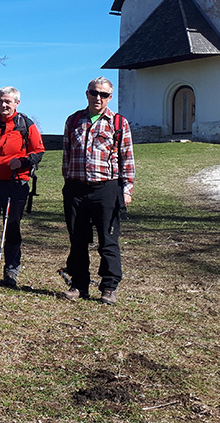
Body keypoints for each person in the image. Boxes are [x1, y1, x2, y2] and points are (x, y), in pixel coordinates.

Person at [61, 77, 135, 305]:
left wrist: (127, 190)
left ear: (110, 97)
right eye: (94, 93)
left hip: (106, 189)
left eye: (104, 94)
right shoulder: (73, 121)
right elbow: (66, 155)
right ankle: (79, 285)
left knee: (108, 241)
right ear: (87, 94)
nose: (98, 98)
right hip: (76, 189)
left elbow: (127, 158)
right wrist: (68, 183)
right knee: (78, 240)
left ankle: (109, 287)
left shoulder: (119, 123)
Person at [0, 86, 45, 287]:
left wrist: (22, 162)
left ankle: (11, 272)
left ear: (17, 103)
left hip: (16, 184)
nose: (4, 105)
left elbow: (38, 151)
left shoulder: (26, 125)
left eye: (8, 101)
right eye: (1, 101)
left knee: (12, 229)